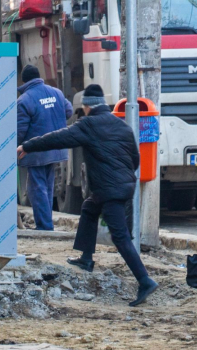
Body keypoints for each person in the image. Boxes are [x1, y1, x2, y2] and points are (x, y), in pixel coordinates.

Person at [19, 84, 159, 306]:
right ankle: (85, 258)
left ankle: (144, 280)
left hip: (109, 189)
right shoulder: (121, 125)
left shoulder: (88, 125)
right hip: (122, 185)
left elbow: (58, 138)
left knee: (120, 236)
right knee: (89, 208)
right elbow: (135, 158)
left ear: (87, 107)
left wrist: (28, 145)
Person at [17, 64, 73, 231]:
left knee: (37, 189)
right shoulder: (57, 92)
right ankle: (46, 223)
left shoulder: (24, 100)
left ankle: (44, 226)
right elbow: (68, 111)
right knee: (47, 188)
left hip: (36, 152)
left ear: (24, 80)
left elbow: (20, 131)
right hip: (56, 148)